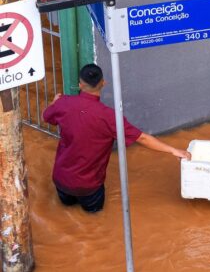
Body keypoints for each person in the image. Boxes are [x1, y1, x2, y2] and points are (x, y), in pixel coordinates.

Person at [42, 64, 190, 213]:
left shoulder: (63, 103)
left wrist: (54, 102)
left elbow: (46, 116)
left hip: (61, 181)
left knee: (66, 212)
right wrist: (173, 150)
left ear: (80, 85)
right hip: (89, 187)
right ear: (103, 83)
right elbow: (142, 138)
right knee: (94, 218)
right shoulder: (110, 117)